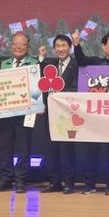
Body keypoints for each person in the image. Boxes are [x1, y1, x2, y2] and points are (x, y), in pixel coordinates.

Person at [72, 30, 109, 195]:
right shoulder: (95, 62)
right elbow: (81, 60)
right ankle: (89, 184)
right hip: (95, 117)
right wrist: (76, 44)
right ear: (103, 46)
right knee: (92, 152)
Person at [0, 32, 39, 193]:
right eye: (16, 44)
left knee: (23, 147)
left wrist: (37, 104)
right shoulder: (5, 64)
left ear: (28, 47)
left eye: (22, 44)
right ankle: (6, 178)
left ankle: (21, 180)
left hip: (26, 112)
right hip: (6, 112)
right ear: (11, 46)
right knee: (5, 146)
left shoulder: (34, 63)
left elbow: (37, 86)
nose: (19, 47)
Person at [38, 35, 78, 194]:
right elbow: (39, 81)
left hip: (68, 113)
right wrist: (41, 58)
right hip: (50, 112)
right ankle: (54, 181)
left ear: (70, 48)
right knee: (51, 147)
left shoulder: (76, 65)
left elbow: (77, 87)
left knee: (68, 148)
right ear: (54, 49)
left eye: (64, 46)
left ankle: (69, 182)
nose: (61, 49)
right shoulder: (50, 65)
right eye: (58, 46)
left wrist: (61, 94)